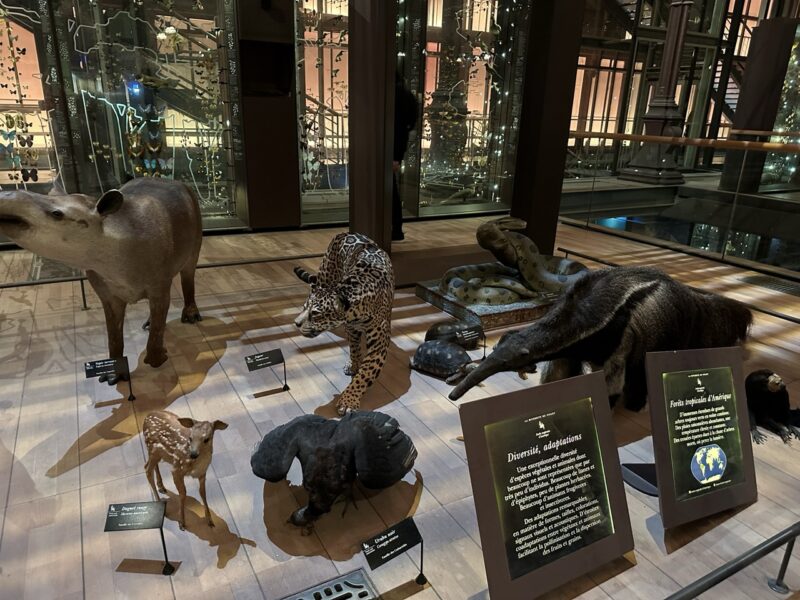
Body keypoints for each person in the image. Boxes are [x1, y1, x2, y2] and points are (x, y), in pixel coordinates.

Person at [392, 73, 419, 241]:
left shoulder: (392, 96)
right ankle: (396, 229)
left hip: (390, 146)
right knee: (391, 191)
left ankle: (394, 229)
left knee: (389, 192)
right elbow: (409, 126)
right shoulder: (408, 97)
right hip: (397, 147)